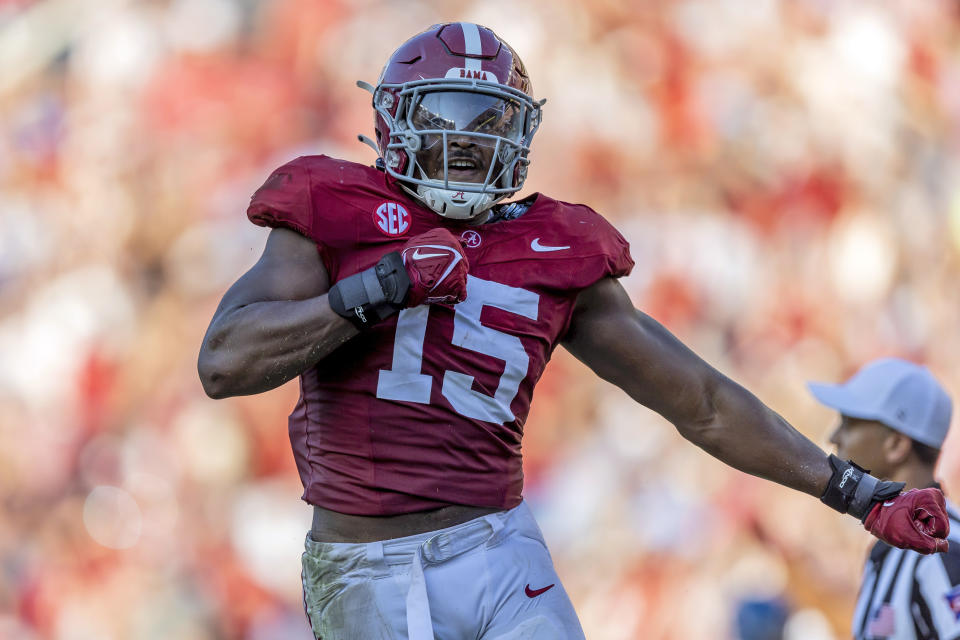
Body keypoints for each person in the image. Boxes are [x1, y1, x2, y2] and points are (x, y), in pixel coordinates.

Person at [197, 22, 949, 640]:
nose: (466, 143)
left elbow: (700, 400)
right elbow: (223, 363)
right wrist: (375, 290)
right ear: (395, 120)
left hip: (497, 545)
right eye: (445, 118)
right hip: (365, 565)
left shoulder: (557, 245)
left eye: (487, 122)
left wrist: (856, 492)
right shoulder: (336, 206)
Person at [811, 358, 960, 640]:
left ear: (896, 444)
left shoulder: (941, 552)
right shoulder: (893, 549)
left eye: (848, 423)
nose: (834, 437)